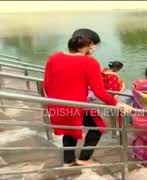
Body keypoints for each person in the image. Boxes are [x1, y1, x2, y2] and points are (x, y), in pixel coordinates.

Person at [44, 28, 132, 167]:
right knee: (98, 127)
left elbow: (47, 85)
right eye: (95, 44)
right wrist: (117, 103)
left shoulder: (54, 57)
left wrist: (54, 103)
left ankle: (68, 161)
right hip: (77, 106)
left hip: (57, 105)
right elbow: (99, 91)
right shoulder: (89, 62)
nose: (95, 47)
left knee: (69, 131)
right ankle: (84, 158)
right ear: (89, 44)